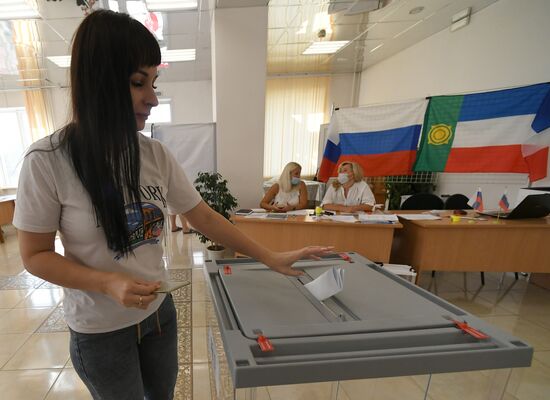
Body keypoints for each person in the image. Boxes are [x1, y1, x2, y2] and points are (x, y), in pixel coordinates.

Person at [13, 10, 331, 400]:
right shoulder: (47, 160)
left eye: (154, 82)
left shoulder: (154, 154)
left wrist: (271, 257)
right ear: (98, 84)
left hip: (158, 317)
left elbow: (203, 216)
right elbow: (35, 255)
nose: (153, 97)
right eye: (137, 83)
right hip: (100, 330)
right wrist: (107, 282)